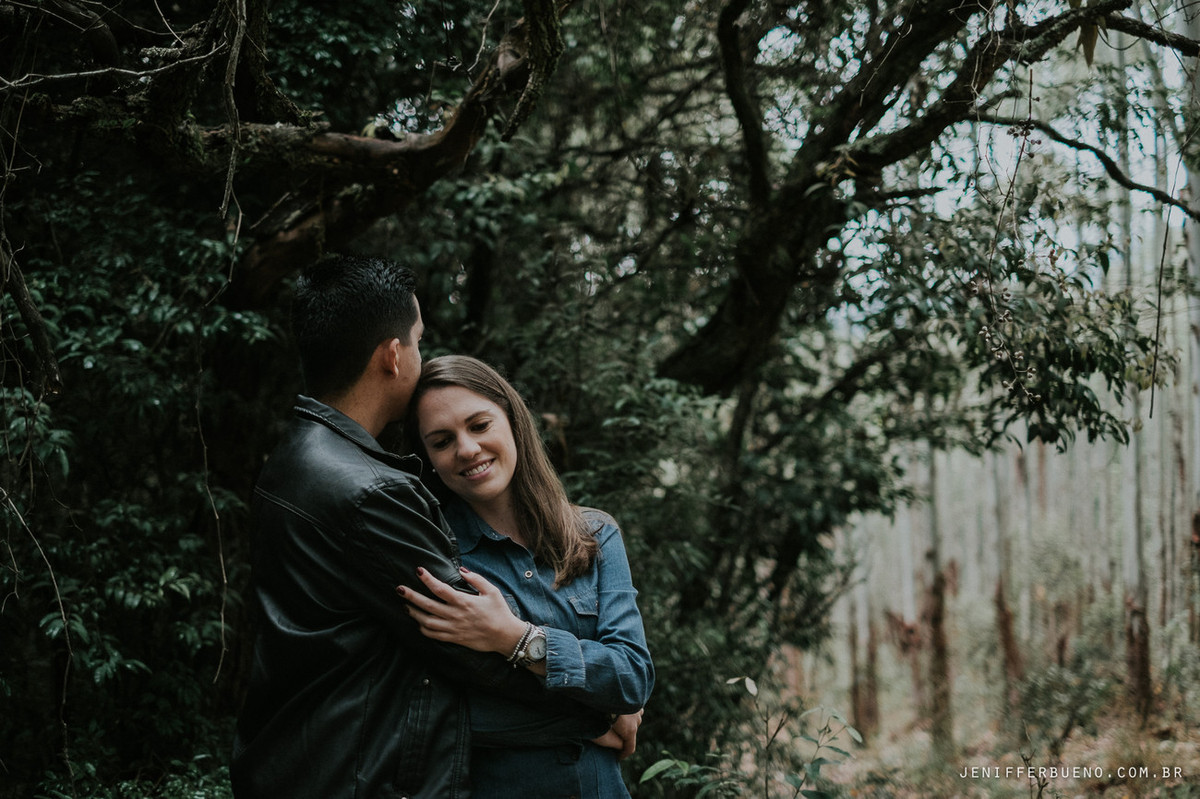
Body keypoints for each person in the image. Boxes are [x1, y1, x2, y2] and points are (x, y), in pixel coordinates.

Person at [231, 255, 606, 799]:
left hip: (292, 760)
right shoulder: (371, 491)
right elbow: (467, 646)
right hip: (353, 777)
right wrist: (596, 710)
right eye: (419, 339)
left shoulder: (291, 457)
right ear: (393, 356)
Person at [398, 355, 654, 799]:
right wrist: (591, 716)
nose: (466, 449)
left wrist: (514, 638)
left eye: (479, 425)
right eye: (442, 441)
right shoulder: (435, 555)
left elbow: (632, 676)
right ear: (429, 459)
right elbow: (441, 709)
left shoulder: (595, 534)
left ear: (514, 421)